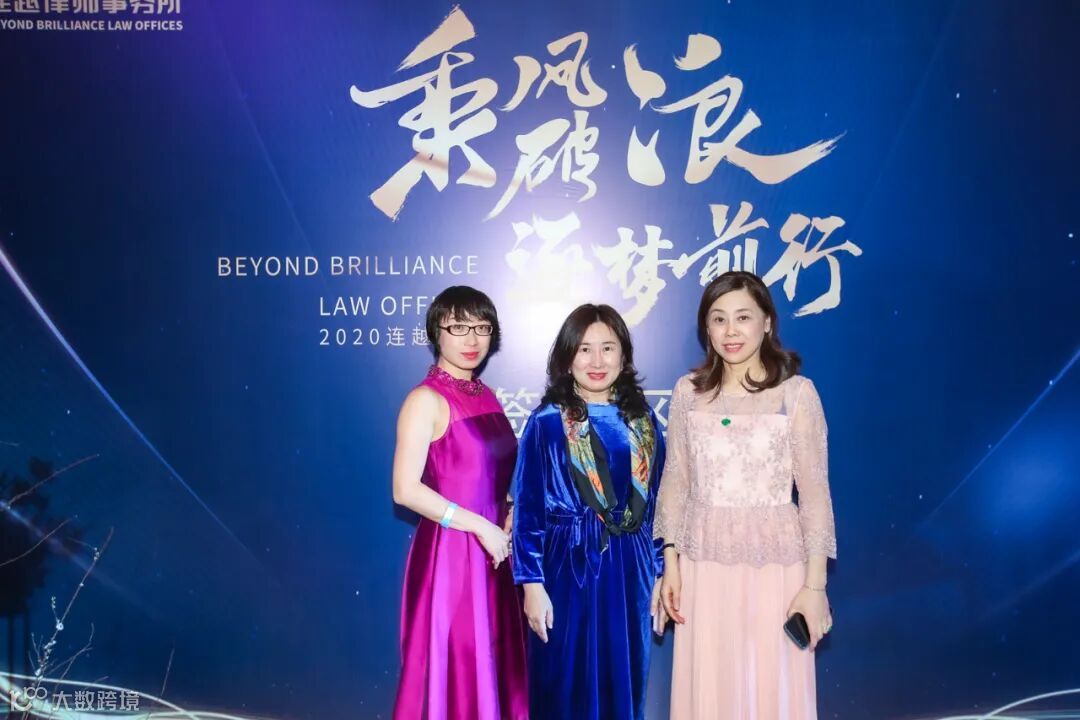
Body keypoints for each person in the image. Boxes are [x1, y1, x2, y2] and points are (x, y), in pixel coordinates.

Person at [655, 271, 838, 720]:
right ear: (706, 327)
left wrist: (815, 587)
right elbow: (676, 482)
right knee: (710, 685)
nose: (730, 331)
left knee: (772, 684)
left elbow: (815, 496)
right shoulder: (688, 392)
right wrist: (671, 563)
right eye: (718, 319)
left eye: (743, 317)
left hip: (775, 568)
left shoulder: (796, 394)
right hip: (703, 565)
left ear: (767, 322)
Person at [512, 303, 666, 720]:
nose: (597, 361)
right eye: (584, 349)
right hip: (567, 564)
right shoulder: (547, 422)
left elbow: (657, 504)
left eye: (608, 348)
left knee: (624, 677)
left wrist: (659, 572)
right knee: (563, 680)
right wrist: (531, 584)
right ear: (567, 358)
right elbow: (527, 510)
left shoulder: (644, 422)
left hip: (631, 565)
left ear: (624, 356)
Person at [390, 286, 528, 720]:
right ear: (437, 331)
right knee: (456, 666)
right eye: (459, 327)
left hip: (494, 550)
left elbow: (489, 473)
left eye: (482, 328)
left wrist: (507, 510)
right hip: (450, 554)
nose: (472, 339)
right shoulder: (424, 400)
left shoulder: (485, 394)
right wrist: (479, 525)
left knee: (492, 664)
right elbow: (405, 490)